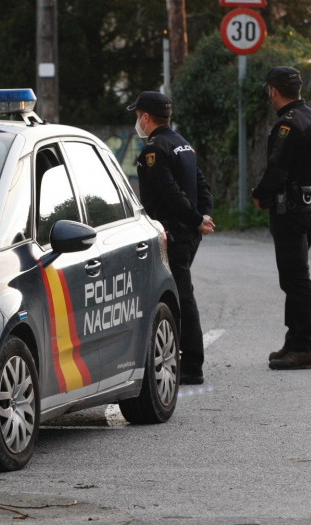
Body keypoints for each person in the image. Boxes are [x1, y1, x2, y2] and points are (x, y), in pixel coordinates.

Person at [128, 91, 215, 385]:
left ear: (146, 117)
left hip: (173, 232)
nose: (137, 122)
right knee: (179, 294)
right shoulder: (183, 145)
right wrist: (203, 216)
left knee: (179, 297)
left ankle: (191, 364)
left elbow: (168, 191)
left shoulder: (154, 150)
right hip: (188, 232)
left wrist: (195, 219)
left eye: (137, 116)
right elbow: (202, 185)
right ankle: (184, 360)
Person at [251, 67, 311, 370]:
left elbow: (277, 169)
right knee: (294, 277)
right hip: (306, 206)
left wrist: (259, 194)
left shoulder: (288, 125)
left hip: (290, 209)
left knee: (295, 279)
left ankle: (304, 346)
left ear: (272, 91)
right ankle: (294, 339)